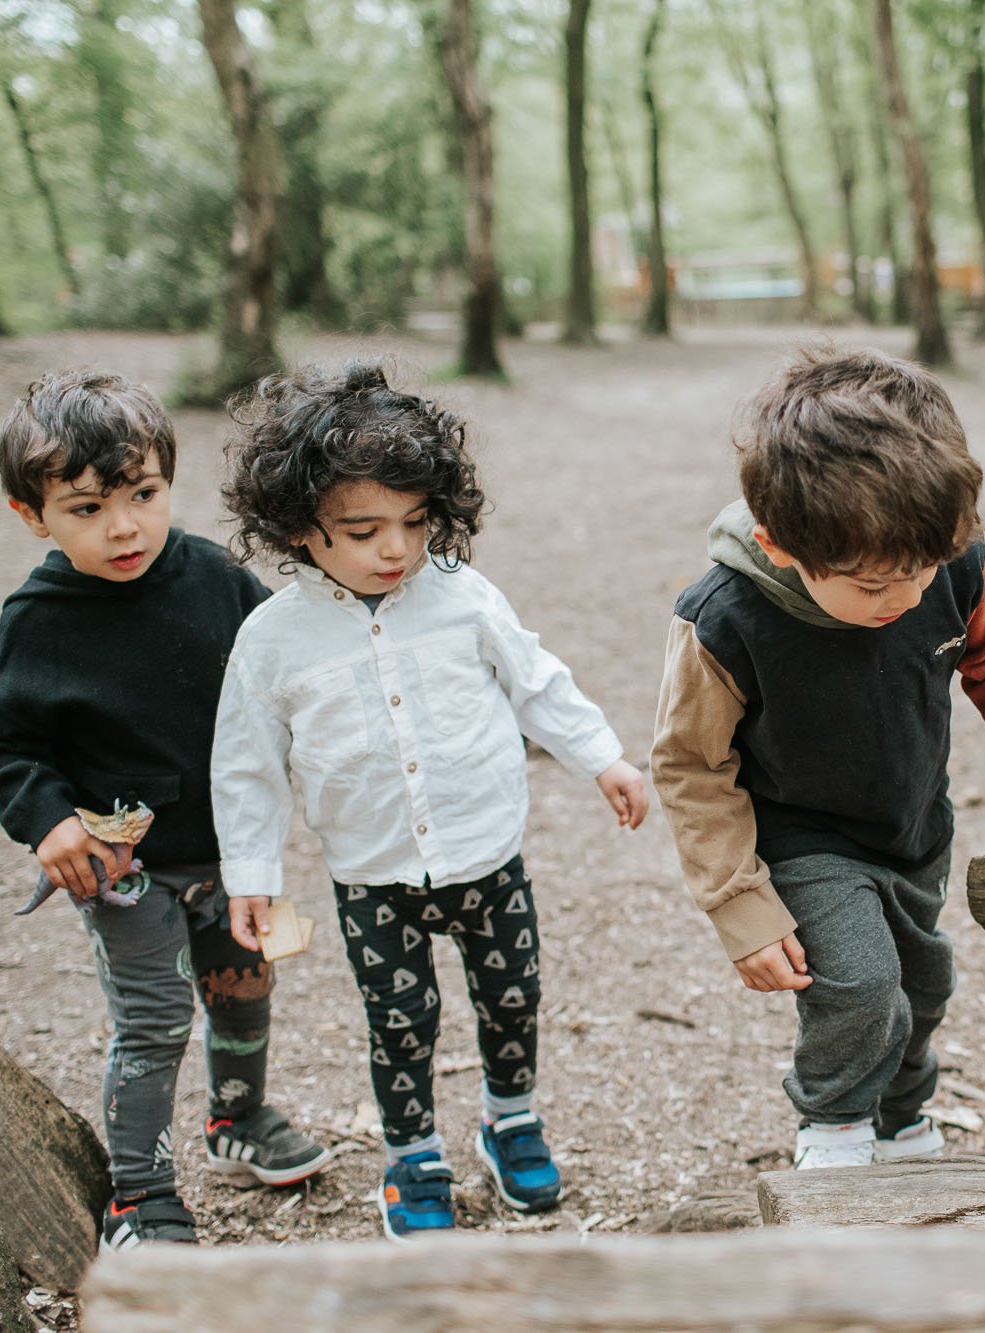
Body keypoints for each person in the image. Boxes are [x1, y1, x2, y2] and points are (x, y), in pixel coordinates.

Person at [650, 345, 985, 1170]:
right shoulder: (724, 617)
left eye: (921, 574)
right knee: (857, 984)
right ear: (781, 545)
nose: (905, 599)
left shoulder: (953, 555)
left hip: (912, 827)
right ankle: (834, 1127)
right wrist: (739, 905)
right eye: (872, 586)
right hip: (800, 832)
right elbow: (690, 766)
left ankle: (900, 1118)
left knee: (922, 988)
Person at [211, 362, 648, 1239]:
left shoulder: (462, 596)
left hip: (488, 853)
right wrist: (249, 873)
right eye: (365, 529)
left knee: (513, 996)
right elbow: (247, 764)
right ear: (300, 529)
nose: (396, 549)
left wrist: (602, 757)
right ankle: (413, 1152)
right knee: (402, 1022)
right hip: (373, 873)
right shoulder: (271, 642)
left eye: (414, 522)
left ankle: (509, 1115)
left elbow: (536, 682)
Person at [0, 369, 331, 1252]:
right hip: (124, 868)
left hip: (233, 852)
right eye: (86, 508)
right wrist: (48, 818)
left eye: (142, 494)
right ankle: (141, 1194)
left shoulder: (212, 575)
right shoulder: (41, 618)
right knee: (155, 1020)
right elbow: (4, 740)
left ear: (168, 479)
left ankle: (238, 1119)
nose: (124, 525)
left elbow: (282, 673)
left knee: (245, 990)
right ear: (32, 514)